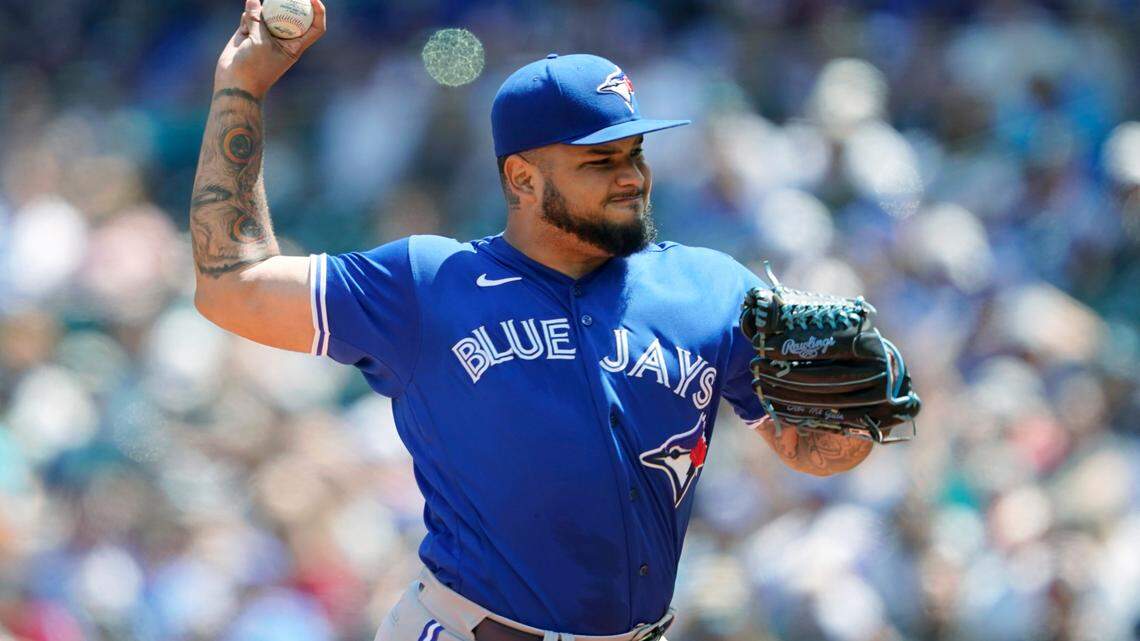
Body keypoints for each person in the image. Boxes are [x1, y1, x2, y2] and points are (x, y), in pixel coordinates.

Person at [190, 2, 878, 639]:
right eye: (600, 160)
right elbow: (233, 286)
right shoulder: (428, 285)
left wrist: (853, 410)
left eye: (635, 151)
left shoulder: (709, 286)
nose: (631, 175)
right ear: (522, 179)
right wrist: (241, 88)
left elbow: (810, 450)